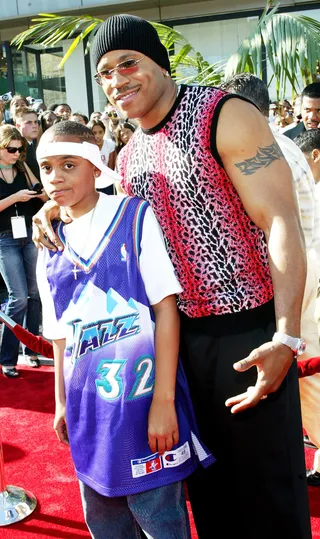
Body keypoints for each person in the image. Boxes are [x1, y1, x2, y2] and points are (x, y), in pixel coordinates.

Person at [32, 14, 311, 539]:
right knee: (208, 494)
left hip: (248, 332)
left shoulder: (223, 114)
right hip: (176, 343)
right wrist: (50, 210)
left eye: (128, 63)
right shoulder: (131, 152)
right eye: (106, 73)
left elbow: (280, 220)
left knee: (268, 492)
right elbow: (96, 206)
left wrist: (285, 335)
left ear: (159, 62)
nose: (117, 81)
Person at [35, 120, 214, 539]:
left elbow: (165, 308)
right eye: (46, 167)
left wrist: (164, 402)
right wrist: (61, 400)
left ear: (96, 168)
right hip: (89, 408)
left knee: (161, 520)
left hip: (142, 402)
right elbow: (60, 335)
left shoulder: (133, 215)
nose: (56, 177)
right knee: (103, 519)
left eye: (68, 165)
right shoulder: (48, 242)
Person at [222, 73, 320, 488]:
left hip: (288, 274)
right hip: (306, 268)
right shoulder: (286, 144)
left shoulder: (260, 149)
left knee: (296, 376)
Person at [0, 125, 46, 377]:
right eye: (11, 149)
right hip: (4, 239)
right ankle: (7, 356)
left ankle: (31, 350)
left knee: (34, 293)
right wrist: (16, 197)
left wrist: (36, 193)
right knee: (17, 297)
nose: (17, 153)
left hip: (28, 234)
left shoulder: (21, 166)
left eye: (20, 149)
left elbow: (42, 193)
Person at [15, 107, 41, 180]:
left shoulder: (35, 143)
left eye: (36, 122)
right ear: (18, 126)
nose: (34, 126)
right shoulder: (16, 149)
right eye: (29, 123)